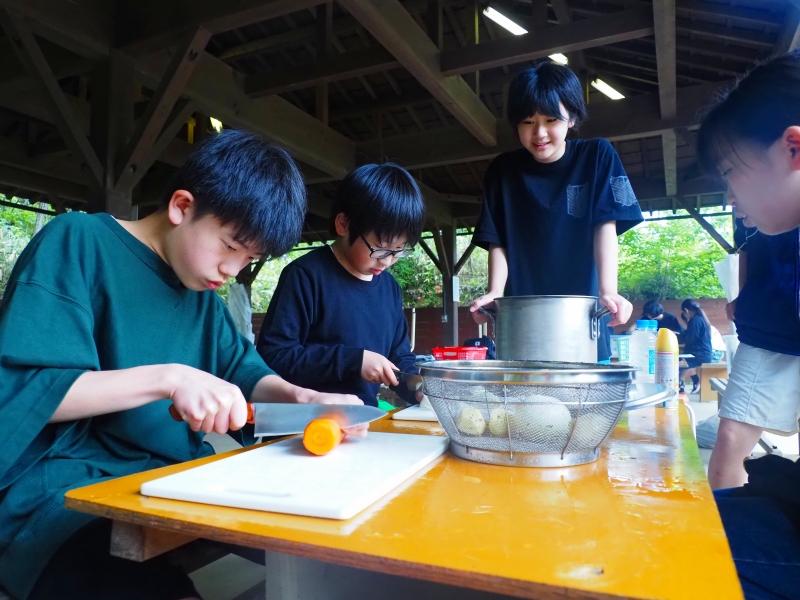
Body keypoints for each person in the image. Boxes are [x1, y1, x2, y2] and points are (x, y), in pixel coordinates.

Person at [0, 130, 361, 600]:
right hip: (66, 492)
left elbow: (246, 373)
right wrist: (168, 378)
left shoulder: (202, 295)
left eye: (250, 258)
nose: (233, 270)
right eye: (230, 246)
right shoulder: (79, 242)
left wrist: (303, 397)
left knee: (331, 542)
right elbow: (28, 392)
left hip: (172, 480)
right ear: (182, 206)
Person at [697, 49, 800, 599]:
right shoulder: (772, 238)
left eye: (731, 172)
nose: (730, 196)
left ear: (793, 148)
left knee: (689, 549)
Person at [468, 61, 643, 361]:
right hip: (523, 327)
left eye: (551, 120)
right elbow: (497, 240)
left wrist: (609, 291)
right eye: (527, 122)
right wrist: (495, 292)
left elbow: (605, 225)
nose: (539, 133)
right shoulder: (502, 171)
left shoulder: (597, 156)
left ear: (571, 117)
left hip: (585, 322)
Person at [257, 163, 424, 407]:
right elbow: (275, 356)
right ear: (343, 224)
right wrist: (353, 361)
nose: (387, 261)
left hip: (363, 420)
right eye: (380, 249)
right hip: (306, 421)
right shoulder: (305, 275)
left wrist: (419, 388)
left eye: (398, 251)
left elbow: (399, 359)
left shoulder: (389, 289)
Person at [707, 221, 800, 490]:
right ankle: (726, 516)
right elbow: (745, 246)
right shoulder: (745, 198)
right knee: (730, 439)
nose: (731, 200)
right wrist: (741, 293)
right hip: (764, 327)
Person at [677, 298, 713, 393]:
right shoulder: (700, 319)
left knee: (677, 364)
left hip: (699, 355)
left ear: (686, 310)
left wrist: (677, 336)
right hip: (701, 354)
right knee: (681, 361)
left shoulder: (695, 321)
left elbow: (689, 339)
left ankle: (680, 386)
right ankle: (694, 381)